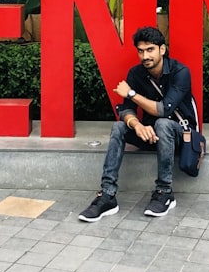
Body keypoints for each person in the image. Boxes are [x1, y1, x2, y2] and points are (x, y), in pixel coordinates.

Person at [78, 26, 198, 222]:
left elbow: (164, 109)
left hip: (180, 137)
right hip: (150, 134)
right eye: (141, 51)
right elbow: (126, 110)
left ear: (162, 50)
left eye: (150, 49)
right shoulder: (136, 73)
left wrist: (132, 94)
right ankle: (107, 196)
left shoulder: (180, 72)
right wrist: (136, 125)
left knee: (163, 123)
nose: (145, 56)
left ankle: (165, 192)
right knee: (119, 126)